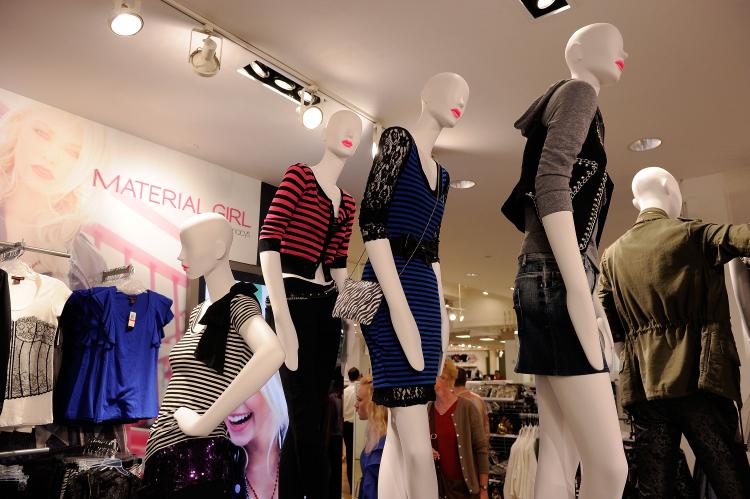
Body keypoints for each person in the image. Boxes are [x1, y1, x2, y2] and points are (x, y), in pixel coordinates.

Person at [0, 103, 106, 289]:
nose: (50, 157)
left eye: (72, 152)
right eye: (42, 133)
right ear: (18, 127)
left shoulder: (89, 264)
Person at [429, 359, 489, 499]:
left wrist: (484, 489)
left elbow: (481, 449)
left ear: (446, 378)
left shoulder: (467, 408)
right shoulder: (428, 410)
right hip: (438, 488)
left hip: (465, 489)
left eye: (433, 375)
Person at [224, 374, 289, 499]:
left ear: (272, 388)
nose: (230, 404)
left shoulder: (302, 462)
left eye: (245, 389)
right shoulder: (220, 469)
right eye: (223, 391)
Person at [355, 376, 387, 499]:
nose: (356, 405)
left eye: (359, 400)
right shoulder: (373, 432)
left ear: (373, 403)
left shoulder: (386, 440)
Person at [343, 367, 363, 492]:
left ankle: (351, 487)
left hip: (346, 425)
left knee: (350, 456)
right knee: (356, 454)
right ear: (358, 376)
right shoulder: (357, 391)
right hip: (355, 425)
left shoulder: (344, 392)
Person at [454, 368, 490, 435]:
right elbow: (486, 426)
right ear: (465, 380)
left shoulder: (450, 401)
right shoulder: (478, 399)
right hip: (479, 442)